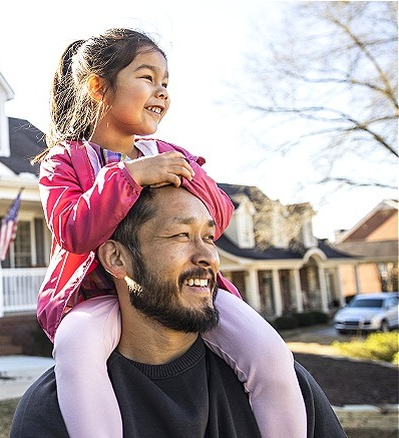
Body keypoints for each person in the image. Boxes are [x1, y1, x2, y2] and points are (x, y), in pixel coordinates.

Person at [32, 28, 306, 437]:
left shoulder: (170, 154)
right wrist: (128, 178)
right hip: (100, 296)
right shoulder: (64, 162)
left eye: (166, 82)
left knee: (268, 351)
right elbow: (73, 231)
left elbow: (219, 214)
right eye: (147, 77)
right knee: (76, 348)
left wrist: (186, 177)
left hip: (183, 289)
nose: (161, 91)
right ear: (98, 86)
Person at [12, 186, 347, 437]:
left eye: (210, 237)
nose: (208, 256)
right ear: (116, 258)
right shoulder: (51, 411)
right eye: (181, 235)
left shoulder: (284, 385)